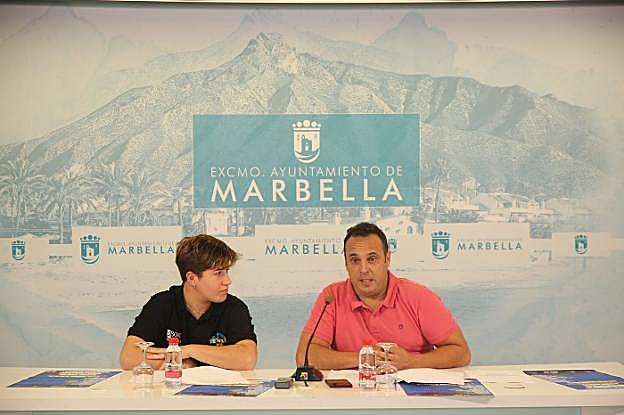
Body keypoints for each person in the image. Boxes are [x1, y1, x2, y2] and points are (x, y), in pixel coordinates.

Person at [295, 222, 470, 370]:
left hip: (413, 397)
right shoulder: (332, 297)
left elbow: (461, 352)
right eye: (355, 260)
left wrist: (411, 361)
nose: (364, 269)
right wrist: (364, 358)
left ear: (387, 259)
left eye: (371, 259)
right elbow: (305, 356)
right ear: (346, 263)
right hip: (354, 396)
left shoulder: (419, 296)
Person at [119, 234, 257, 371]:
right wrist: (184, 363)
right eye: (218, 273)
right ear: (191, 278)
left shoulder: (234, 307)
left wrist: (189, 351)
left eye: (227, 271)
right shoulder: (162, 304)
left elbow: (247, 359)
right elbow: (129, 358)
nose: (227, 281)